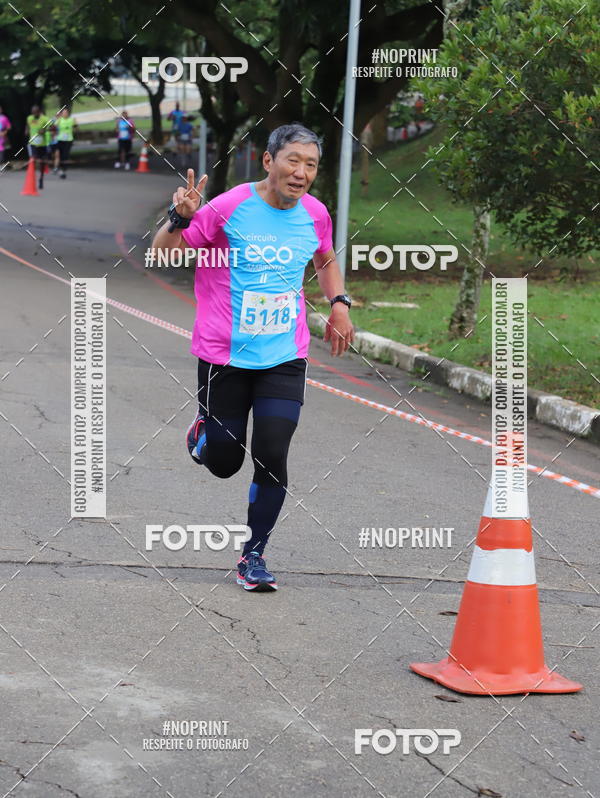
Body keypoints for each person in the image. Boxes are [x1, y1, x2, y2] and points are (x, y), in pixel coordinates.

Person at [151, 123, 354, 592]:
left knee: (273, 452)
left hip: (285, 355)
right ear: (268, 161)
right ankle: (203, 432)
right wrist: (179, 218)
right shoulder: (228, 207)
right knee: (224, 461)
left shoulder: (316, 214)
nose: (301, 173)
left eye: (311, 165)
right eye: (293, 161)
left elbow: (324, 259)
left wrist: (339, 303)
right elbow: (164, 254)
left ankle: (253, 556)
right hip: (224, 355)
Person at [25, 105, 51, 189]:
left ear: (39, 111)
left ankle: (41, 178)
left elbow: (53, 127)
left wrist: (45, 130)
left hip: (42, 144)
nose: (34, 114)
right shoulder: (30, 118)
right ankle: (34, 177)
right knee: (34, 159)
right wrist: (26, 131)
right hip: (33, 143)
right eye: (33, 113)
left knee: (41, 162)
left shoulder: (45, 119)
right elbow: (27, 125)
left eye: (35, 113)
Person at [56, 108, 77, 179]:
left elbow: (76, 128)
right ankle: (61, 169)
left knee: (65, 155)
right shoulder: (59, 120)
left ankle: (63, 169)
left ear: (68, 113)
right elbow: (54, 127)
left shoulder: (71, 120)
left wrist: (75, 127)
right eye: (63, 113)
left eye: (66, 113)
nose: (65, 114)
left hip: (68, 140)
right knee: (60, 155)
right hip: (60, 140)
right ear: (62, 114)